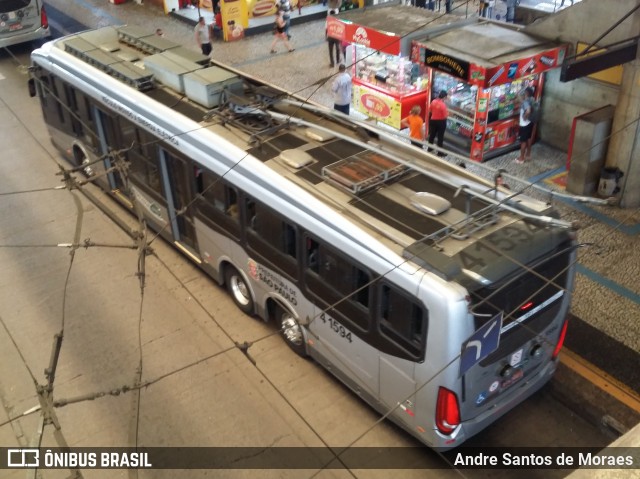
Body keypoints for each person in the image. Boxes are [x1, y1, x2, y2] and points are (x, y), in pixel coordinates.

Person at [516, 87, 534, 164]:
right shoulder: (532, 99)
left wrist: (524, 116)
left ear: (526, 93)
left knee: (523, 141)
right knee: (528, 139)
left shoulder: (525, 102)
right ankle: (528, 154)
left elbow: (528, 110)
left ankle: (521, 158)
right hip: (530, 122)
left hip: (524, 124)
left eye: (524, 92)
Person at [428, 89, 448, 156]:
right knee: (440, 137)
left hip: (433, 120)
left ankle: (429, 148)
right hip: (441, 122)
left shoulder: (433, 101)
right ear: (444, 97)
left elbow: (430, 110)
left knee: (432, 135)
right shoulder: (443, 105)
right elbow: (445, 116)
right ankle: (440, 152)